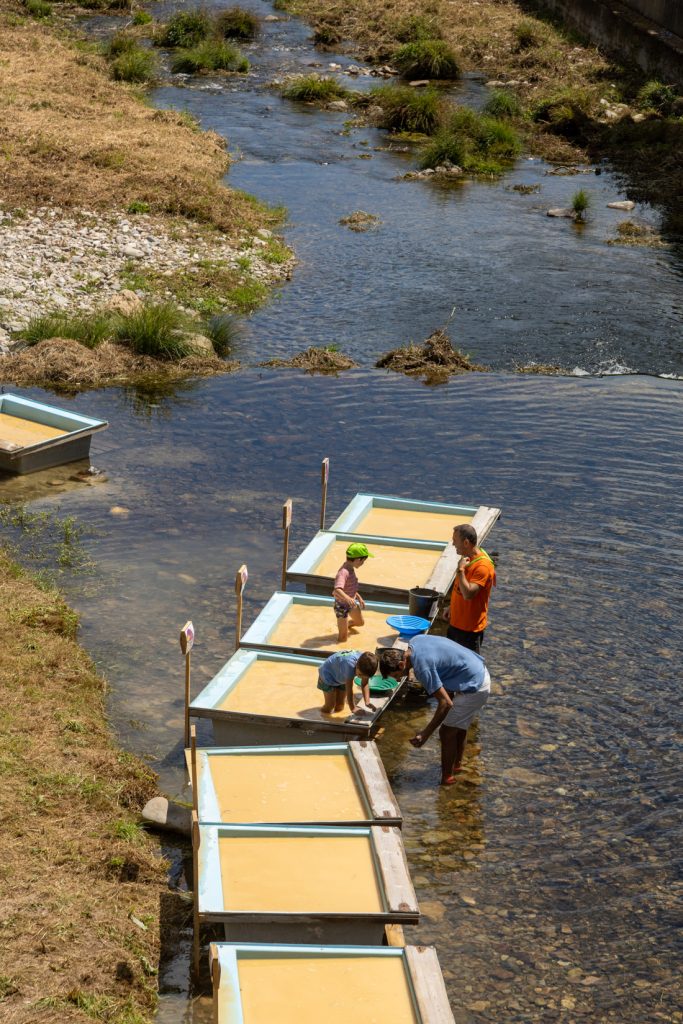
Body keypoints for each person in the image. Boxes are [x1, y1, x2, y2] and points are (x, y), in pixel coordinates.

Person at [379, 634, 490, 786]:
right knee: (457, 725)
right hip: (476, 669)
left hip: (475, 685)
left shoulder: (422, 668)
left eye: (396, 676)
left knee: (446, 732)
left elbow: (445, 703)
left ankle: (447, 779)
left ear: (401, 665)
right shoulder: (415, 641)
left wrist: (425, 734)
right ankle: (456, 766)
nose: (398, 680)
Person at [446, 524, 496, 653]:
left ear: (466, 542)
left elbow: (468, 594)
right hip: (455, 623)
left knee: (468, 667)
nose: (453, 544)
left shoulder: (483, 567)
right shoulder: (467, 557)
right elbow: (459, 587)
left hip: (469, 630)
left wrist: (460, 570)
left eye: (455, 541)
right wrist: (451, 606)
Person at [332, 542, 374, 643]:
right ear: (358, 560)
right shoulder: (343, 572)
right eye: (363, 561)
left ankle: (344, 625)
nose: (362, 564)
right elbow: (337, 589)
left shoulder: (351, 568)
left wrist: (358, 597)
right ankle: (342, 629)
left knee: (360, 623)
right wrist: (348, 598)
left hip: (352, 603)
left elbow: (350, 586)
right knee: (343, 638)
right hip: (342, 606)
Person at [317, 649, 378, 716]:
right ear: (356, 665)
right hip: (327, 675)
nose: (361, 678)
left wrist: (367, 702)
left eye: (365, 677)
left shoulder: (366, 664)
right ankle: (320, 715)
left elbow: (365, 683)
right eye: (360, 675)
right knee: (330, 706)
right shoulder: (350, 665)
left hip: (341, 675)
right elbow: (349, 691)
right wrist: (353, 708)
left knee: (340, 706)